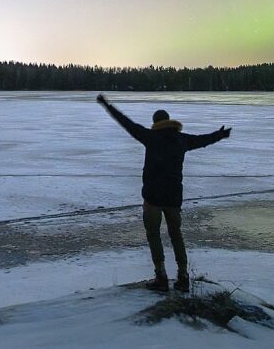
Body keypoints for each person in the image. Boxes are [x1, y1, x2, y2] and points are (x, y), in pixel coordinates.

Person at [96, 94, 231, 293]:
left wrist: (107, 105)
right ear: (168, 121)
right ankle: (183, 276)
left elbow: (126, 123)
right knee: (176, 235)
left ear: (155, 122)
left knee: (153, 235)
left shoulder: (150, 137)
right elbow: (203, 140)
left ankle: (161, 276)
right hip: (174, 198)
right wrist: (220, 135)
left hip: (152, 198)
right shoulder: (182, 139)